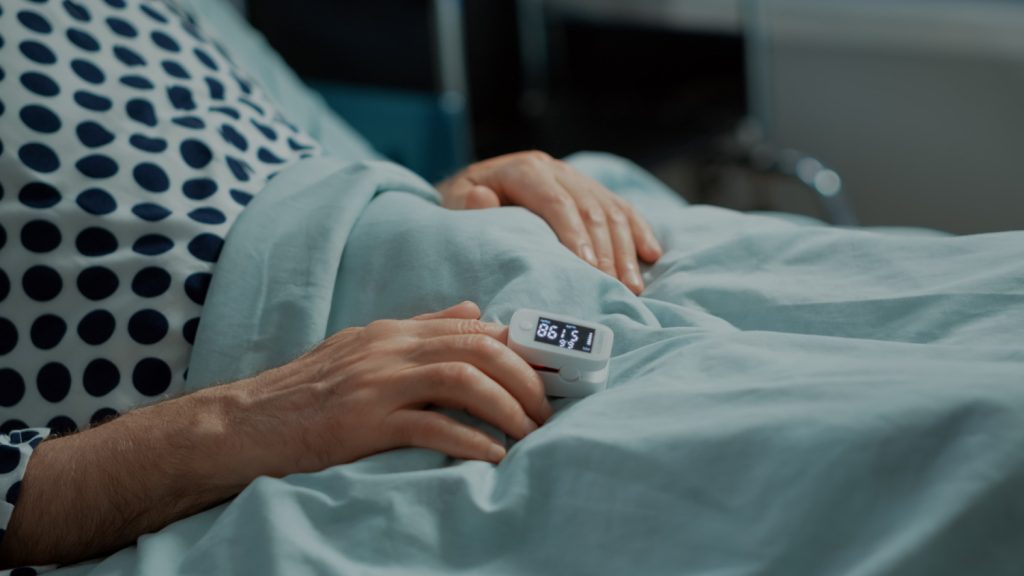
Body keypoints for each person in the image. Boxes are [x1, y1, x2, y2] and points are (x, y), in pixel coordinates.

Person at [0, 0, 662, 568]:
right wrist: (239, 419)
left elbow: (315, 154)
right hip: (274, 404)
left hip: (488, 250)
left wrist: (441, 194)